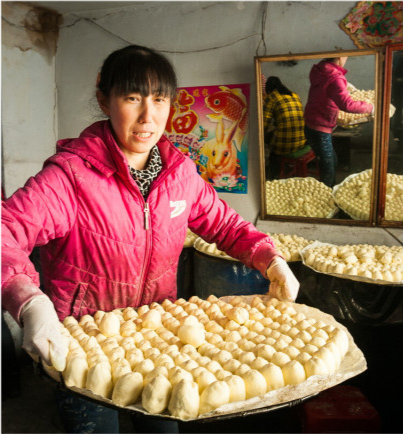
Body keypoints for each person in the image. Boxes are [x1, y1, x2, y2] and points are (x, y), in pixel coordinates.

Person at [0, 45, 299, 434]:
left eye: (159, 100)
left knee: (163, 428)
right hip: (86, 344)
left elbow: (226, 226)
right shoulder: (71, 177)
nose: (148, 116)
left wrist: (268, 258)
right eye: (132, 98)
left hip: (156, 340)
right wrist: (28, 301)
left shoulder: (180, 175)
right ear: (104, 100)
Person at [303, 57, 374, 187]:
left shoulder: (320, 71)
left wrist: (344, 87)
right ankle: (326, 199)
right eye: (346, 57)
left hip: (311, 124)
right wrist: (370, 108)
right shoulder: (335, 78)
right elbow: (347, 105)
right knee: (328, 168)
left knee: (332, 160)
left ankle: (327, 189)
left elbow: (327, 92)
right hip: (320, 128)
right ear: (340, 57)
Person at [262, 76, 306, 179]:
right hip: (302, 140)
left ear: (269, 89)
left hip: (285, 146)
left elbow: (264, 123)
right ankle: (286, 169)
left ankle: (273, 177)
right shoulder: (294, 95)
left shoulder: (272, 97)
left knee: (267, 144)